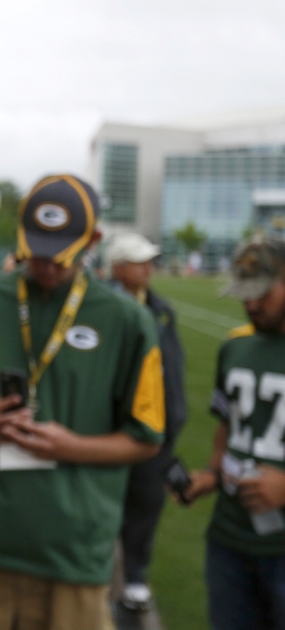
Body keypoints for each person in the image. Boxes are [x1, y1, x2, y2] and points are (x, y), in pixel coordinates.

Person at [0, 174, 165, 630]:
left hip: (73, 558)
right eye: (35, 250)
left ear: (92, 241)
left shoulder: (129, 322)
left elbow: (146, 439)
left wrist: (67, 445)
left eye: (61, 255)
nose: (46, 266)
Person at [184, 237, 285, 630]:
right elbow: (228, 424)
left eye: (263, 293)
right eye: (245, 294)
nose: (252, 305)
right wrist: (210, 474)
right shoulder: (236, 346)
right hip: (229, 538)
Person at [108, 232, 187, 611]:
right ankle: (97, 569)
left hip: (152, 427)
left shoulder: (161, 309)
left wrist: (174, 418)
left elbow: (172, 370)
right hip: (108, 429)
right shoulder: (98, 307)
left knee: (146, 504)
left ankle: (135, 576)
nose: (148, 268)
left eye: (149, 261)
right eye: (140, 262)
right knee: (103, 501)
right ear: (118, 267)